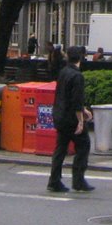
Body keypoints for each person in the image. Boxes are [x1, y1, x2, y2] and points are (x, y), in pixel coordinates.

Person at [47, 45, 94, 193]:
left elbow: (64, 95)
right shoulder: (77, 76)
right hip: (71, 119)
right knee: (83, 146)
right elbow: (76, 101)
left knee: (60, 148)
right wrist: (81, 120)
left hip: (59, 115)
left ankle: (54, 181)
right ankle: (78, 181)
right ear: (81, 57)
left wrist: (83, 110)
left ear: (68, 56)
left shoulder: (64, 72)